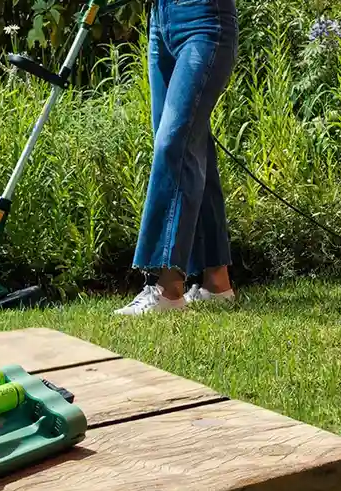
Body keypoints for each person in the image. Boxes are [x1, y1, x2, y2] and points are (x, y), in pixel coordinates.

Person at [115, 0, 239, 315]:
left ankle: (166, 288)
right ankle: (216, 282)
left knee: (173, 145)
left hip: (204, 19)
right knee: (191, 146)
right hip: (160, 21)